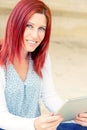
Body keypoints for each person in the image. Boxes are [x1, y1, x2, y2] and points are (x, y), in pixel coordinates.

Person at [0, 0, 87, 130]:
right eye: (29, 26)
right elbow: (1, 117)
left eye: (41, 29)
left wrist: (75, 115)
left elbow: (49, 96)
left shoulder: (42, 56)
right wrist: (34, 124)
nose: (35, 35)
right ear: (15, 24)